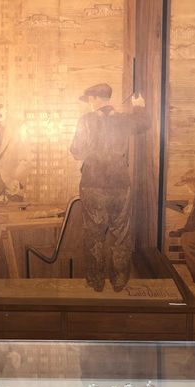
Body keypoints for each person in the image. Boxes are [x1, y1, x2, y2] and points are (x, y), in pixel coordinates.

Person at [70, 83, 148, 292]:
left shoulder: (86, 120)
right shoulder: (123, 119)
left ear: (96, 99)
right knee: (121, 232)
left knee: (94, 233)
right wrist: (139, 105)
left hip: (92, 185)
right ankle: (119, 281)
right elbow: (144, 124)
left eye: (90, 99)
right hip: (120, 184)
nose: (89, 103)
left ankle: (96, 281)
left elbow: (76, 151)